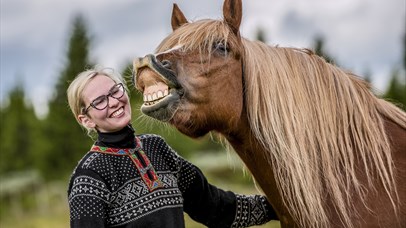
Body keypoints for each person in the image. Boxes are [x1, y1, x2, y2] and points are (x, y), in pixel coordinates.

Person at [66, 66, 278, 227]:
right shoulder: (89, 177)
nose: (113, 102)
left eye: (115, 91)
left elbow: (212, 205)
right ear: (86, 120)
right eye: (100, 101)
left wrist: (276, 206)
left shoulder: (156, 148)